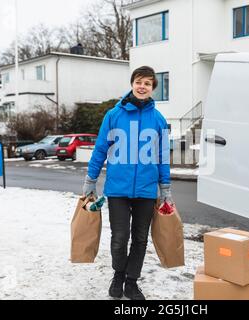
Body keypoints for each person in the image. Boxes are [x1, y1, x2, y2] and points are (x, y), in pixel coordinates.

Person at [82, 66, 173, 300]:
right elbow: (100, 149)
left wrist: (165, 188)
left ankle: (132, 282)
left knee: (140, 238)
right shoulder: (114, 115)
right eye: (139, 82)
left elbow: (163, 155)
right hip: (118, 189)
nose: (142, 87)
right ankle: (118, 275)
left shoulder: (159, 119)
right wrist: (91, 179)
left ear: (153, 88)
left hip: (146, 190)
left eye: (148, 83)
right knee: (119, 237)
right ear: (132, 83)